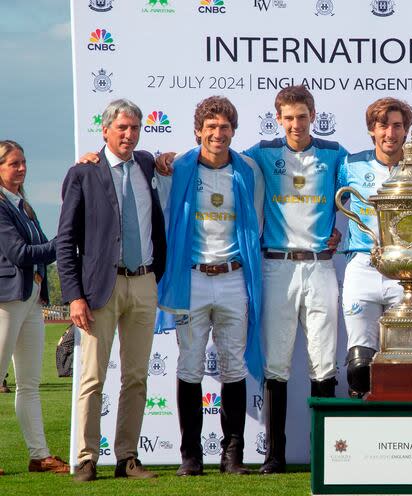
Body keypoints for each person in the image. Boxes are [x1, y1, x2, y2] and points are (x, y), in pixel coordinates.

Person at [57, 99, 167, 482]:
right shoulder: (82, 173)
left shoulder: (148, 165)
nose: (129, 134)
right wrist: (73, 295)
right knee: (92, 377)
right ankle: (86, 458)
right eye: (121, 127)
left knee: (136, 377)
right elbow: (66, 240)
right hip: (98, 290)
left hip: (143, 283)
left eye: (135, 128)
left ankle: (127, 458)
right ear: (105, 130)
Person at [155, 96, 265, 476]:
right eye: (211, 127)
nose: (218, 134)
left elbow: (258, 221)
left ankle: (232, 455)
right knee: (190, 365)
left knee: (234, 367)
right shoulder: (178, 168)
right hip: (193, 279)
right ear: (198, 130)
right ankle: (190, 457)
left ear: (234, 131)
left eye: (225, 127)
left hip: (234, 277)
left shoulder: (248, 169)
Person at [242, 85, 348, 474]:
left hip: (320, 265)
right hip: (277, 266)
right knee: (277, 362)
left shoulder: (335, 154)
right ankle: (275, 455)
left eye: (302, 116)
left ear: (313, 116)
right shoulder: (262, 153)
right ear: (278, 119)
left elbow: (364, 192)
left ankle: (327, 455)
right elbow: (217, 160)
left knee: (324, 362)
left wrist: (343, 235)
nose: (295, 124)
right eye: (288, 117)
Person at [337, 97, 412, 397]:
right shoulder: (351, 165)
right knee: (359, 364)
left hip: (406, 275)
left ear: (406, 131)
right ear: (372, 130)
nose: (390, 134)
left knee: (403, 362)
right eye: (383, 126)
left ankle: (398, 438)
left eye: (397, 126)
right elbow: (321, 198)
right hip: (362, 268)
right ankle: (357, 435)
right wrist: (328, 232)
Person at [0, 140, 69, 475]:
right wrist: (63, 242)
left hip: (30, 298)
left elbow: (38, 250)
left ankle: (39, 455)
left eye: (23, 162)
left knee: (29, 382)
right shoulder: (1, 206)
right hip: (6, 299)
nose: (22, 168)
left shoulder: (23, 205)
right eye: (14, 163)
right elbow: (19, 253)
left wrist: (53, 249)